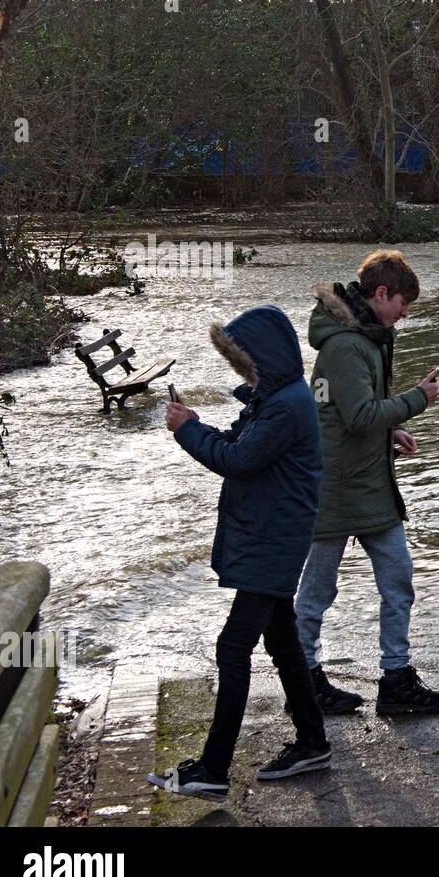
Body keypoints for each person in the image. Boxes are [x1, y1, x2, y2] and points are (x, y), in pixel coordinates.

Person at [148, 306, 330, 802]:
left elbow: (238, 460)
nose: (241, 372)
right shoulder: (279, 398)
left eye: (243, 362)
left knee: (233, 649)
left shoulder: (286, 405)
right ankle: (313, 741)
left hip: (273, 540)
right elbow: (241, 442)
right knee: (284, 643)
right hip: (274, 536)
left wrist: (186, 431)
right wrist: (199, 424)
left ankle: (213, 768)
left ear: (263, 358)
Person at [295, 249, 439, 716]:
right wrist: (417, 400)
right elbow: (360, 415)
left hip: (368, 482)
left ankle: (396, 680)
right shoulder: (347, 345)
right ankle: (305, 678)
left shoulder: (367, 335)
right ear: (381, 294)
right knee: (318, 590)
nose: (405, 314)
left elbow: (353, 415)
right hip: (336, 486)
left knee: (398, 580)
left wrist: (391, 432)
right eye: (403, 303)